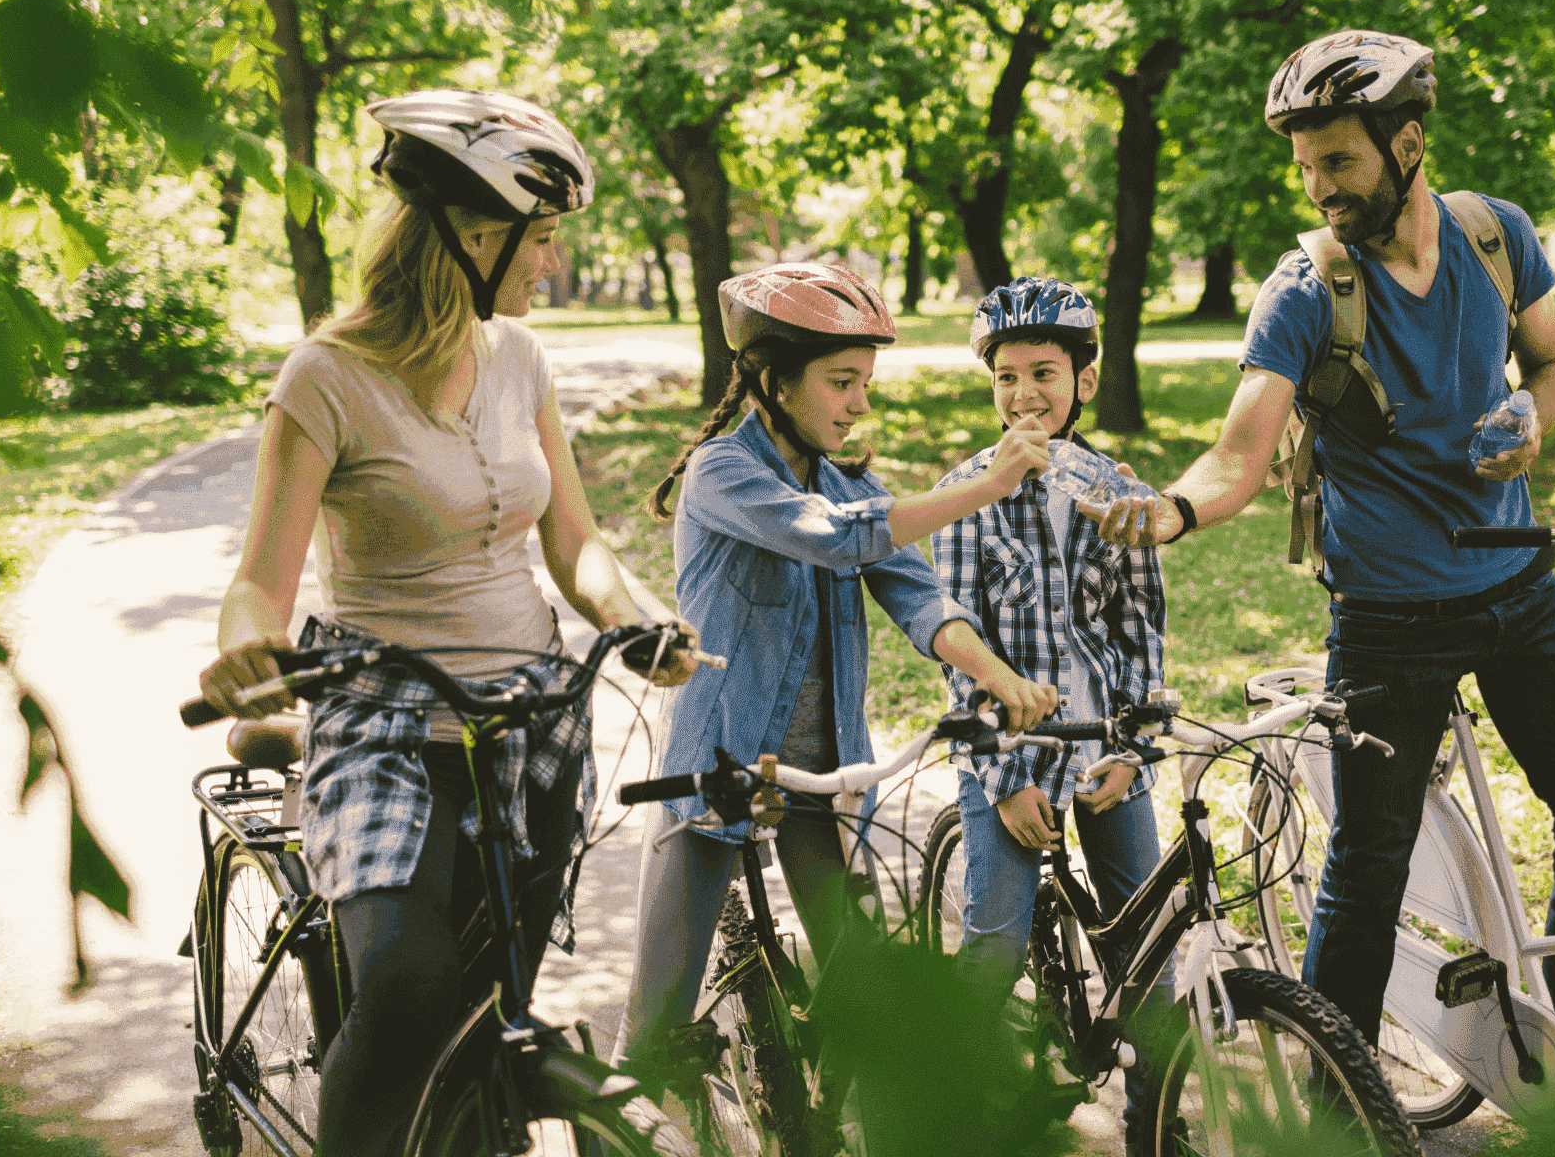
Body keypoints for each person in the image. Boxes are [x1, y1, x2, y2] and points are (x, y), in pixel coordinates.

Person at [1088, 31, 1555, 1155]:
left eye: (1339, 163)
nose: (1320, 187)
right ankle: (1335, 1109)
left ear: (1406, 144)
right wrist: (1167, 510)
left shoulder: (1491, 234)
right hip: (1388, 617)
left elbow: (1549, 362)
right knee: (1365, 873)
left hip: (1517, 587)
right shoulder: (1304, 287)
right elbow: (1238, 451)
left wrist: (1533, 418)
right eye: (1306, 167)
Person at [196, 89, 693, 1157]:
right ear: (476, 236)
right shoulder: (326, 377)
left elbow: (575, 541)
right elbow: (260, 581)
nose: (550, 262)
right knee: (412, 986)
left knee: (487, 993)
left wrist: (633, 616)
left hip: (529, 717)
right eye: (542, 237)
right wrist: (245, 643)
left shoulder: (517, 358)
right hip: (384, 724)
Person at [615, 261, 1059, 1070]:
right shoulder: (722, 472)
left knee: (868, 998)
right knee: (657, 1036)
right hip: (719, 770)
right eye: (842, 382)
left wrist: (998, 677)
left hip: (824, 775)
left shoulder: (848, 481)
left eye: (865, 383)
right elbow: (836, 536)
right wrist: (990, 483)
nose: (861, 404)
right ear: (771, 380)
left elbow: (919, 596)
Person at [929, 276, 1173, 1151]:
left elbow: (1140, 630)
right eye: (1005, 378)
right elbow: (957, 650)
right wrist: (999, 781)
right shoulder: (965, 494)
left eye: (1045, 372)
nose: (1025, 394)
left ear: (1085, 380)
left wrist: (1134, 750)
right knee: (993, 943)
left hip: (1103, 744)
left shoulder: (1120, 491)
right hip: (1008, 751)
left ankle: (1157, 1121)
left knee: (1150, 950)